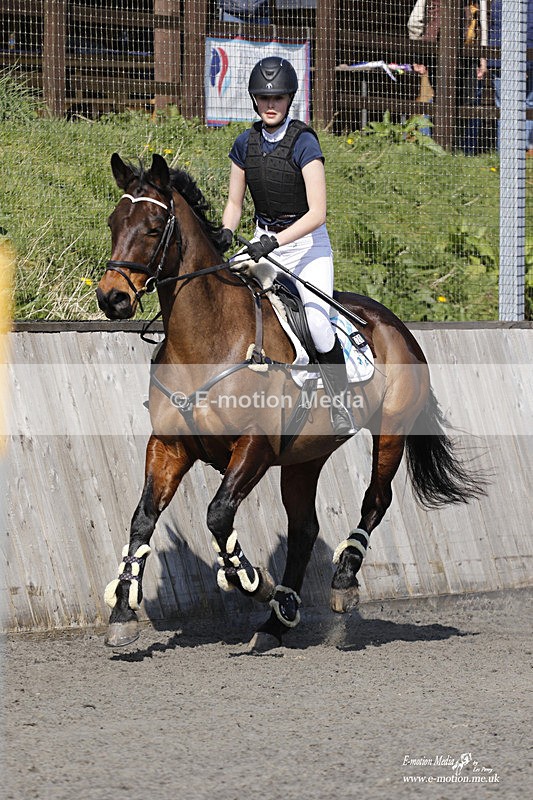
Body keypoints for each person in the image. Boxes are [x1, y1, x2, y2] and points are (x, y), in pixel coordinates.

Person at [220, 56, 356, 436]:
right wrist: (227, 233)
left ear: (290, 98)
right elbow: (234, 204)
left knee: (316, 324)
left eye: (277, 97)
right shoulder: (244, 144)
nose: (270, 104)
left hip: (307, 249)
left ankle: (341, 402)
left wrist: (274, 241)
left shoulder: (304, 142)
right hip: (265, 246)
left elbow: (318, 213)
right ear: (253, 100)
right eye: (264, 98)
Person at [478, 0, 533, 152]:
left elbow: (491, 29)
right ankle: (520, 151)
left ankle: (506, 151)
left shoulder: (498, 2)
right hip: (517, 60)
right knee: (525, 105)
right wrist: (524, 65)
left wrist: (486, 59)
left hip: (499, 59)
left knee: (505, 107)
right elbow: (528, 30)